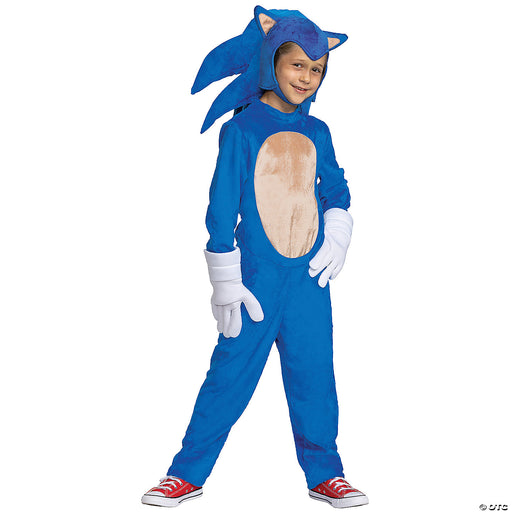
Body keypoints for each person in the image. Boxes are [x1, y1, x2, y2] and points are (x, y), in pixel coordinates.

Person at [142, 5, 368, 509]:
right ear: (271, 60)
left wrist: (337, 234)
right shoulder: (242, 131)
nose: (307, 77)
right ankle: (186, 472)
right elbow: (222, 208)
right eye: (298, 64)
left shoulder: (319, 131)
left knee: (315, 376)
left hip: (309, 281)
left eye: (317, 69)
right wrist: (225, 278)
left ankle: (326, 473)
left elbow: (335, 189)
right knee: (228, 377)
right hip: (255, 281)